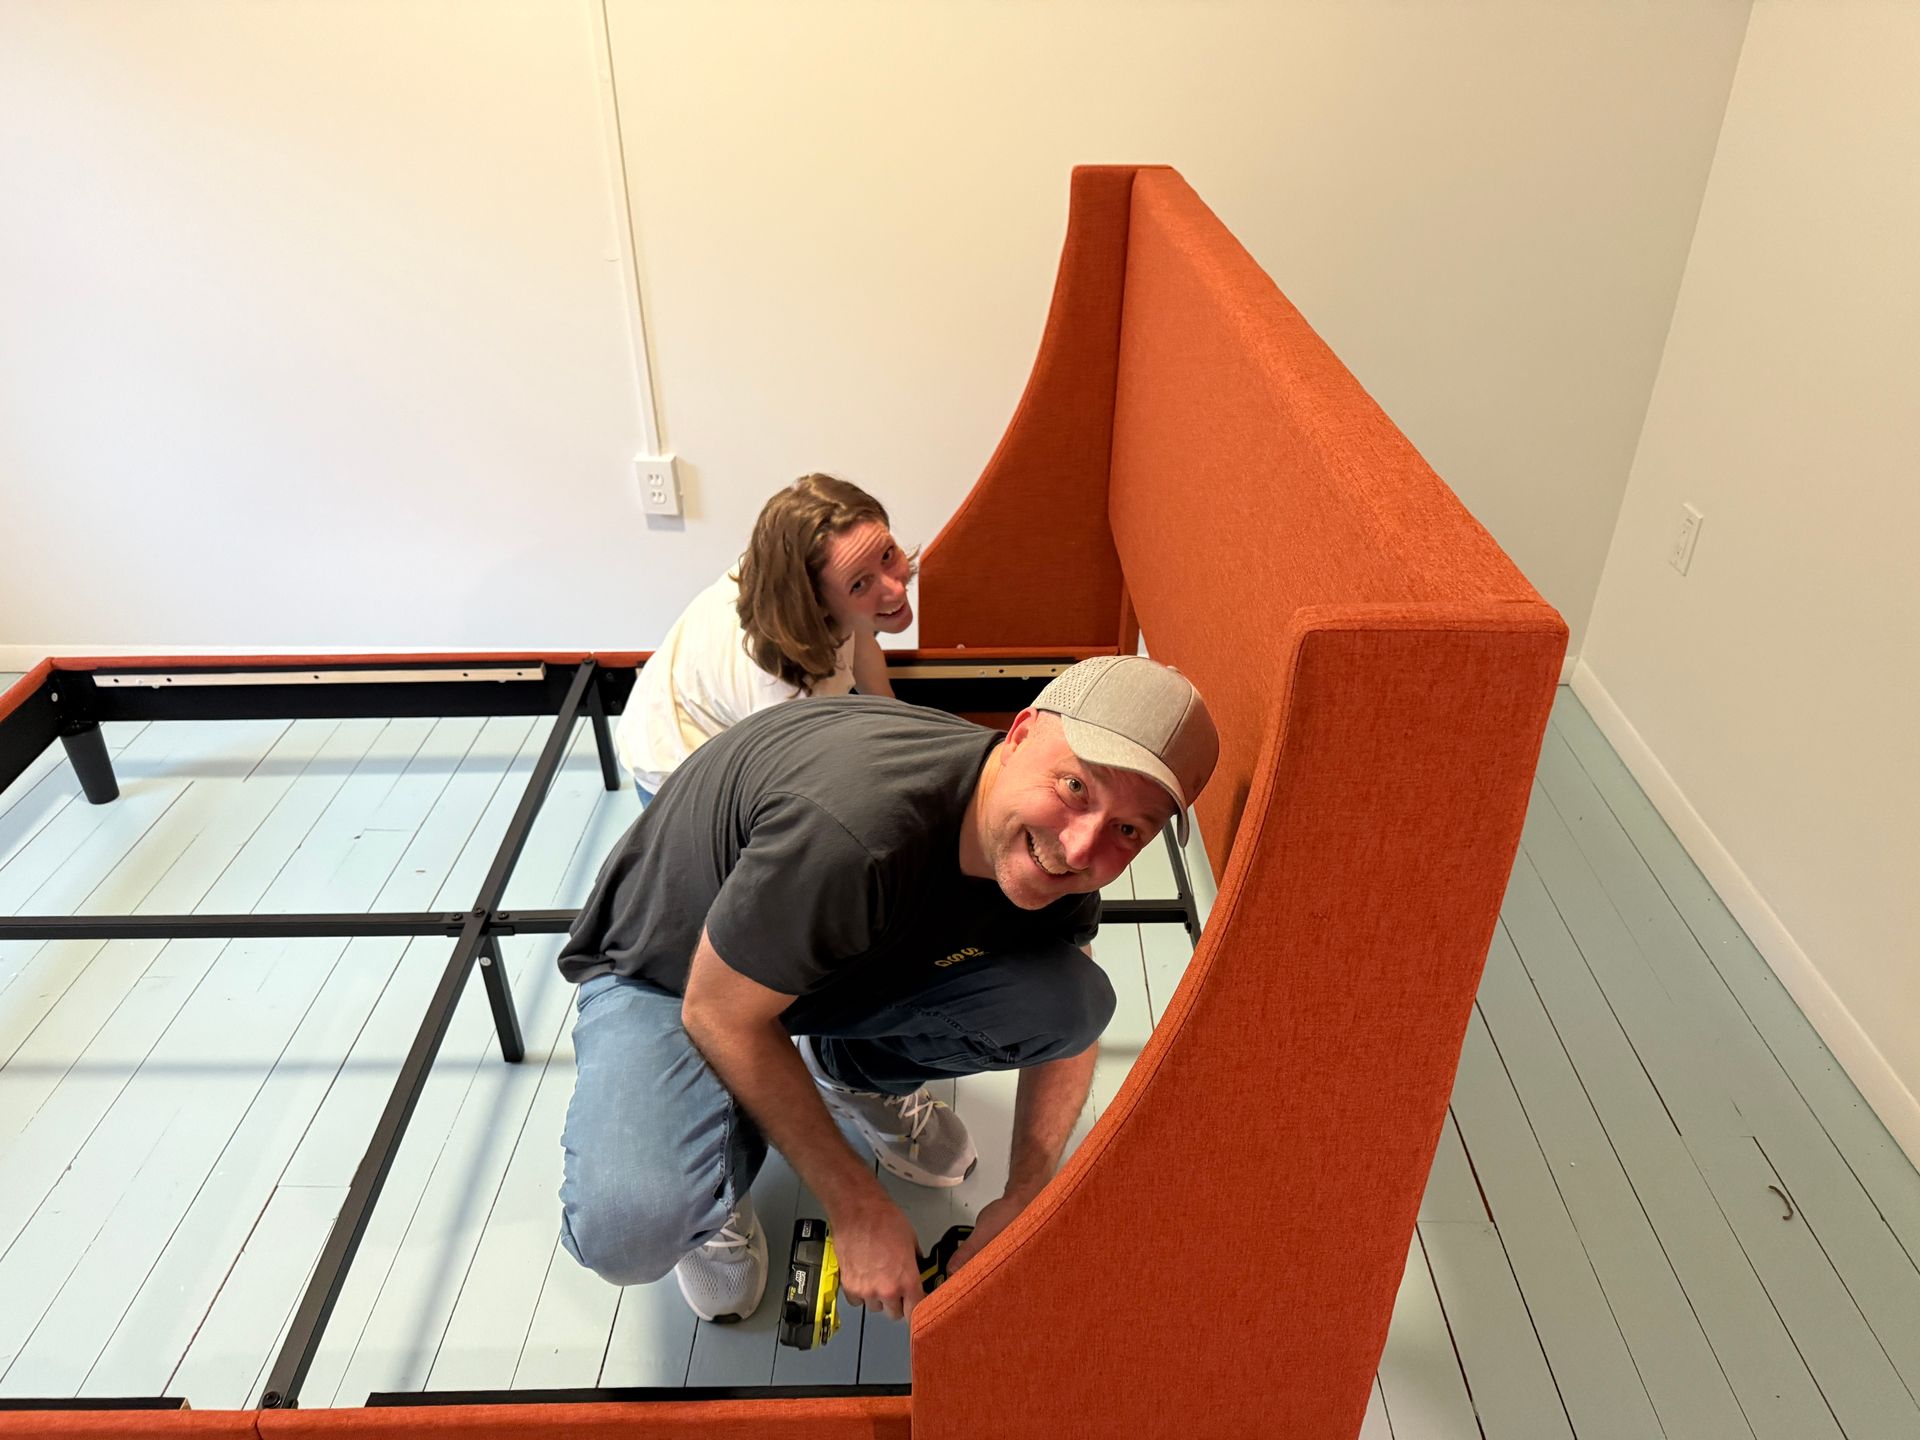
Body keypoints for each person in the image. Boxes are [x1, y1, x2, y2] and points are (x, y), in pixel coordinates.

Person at [555, 654, 1220, 1325]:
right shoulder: (857, 825)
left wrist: (1026, 1194)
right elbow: (718, 1010)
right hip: (674, 974)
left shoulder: (1042, 849)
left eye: (1128, 829)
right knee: (628, 1229)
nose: (1080, 850)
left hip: (820, 953)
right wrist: (856, 1203)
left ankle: (848, 1070)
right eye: (1076, 786)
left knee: (1073, 1002)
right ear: (1018, 735)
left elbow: (1068, 1024)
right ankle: (709, 1191)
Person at [615, 473, 916, 802]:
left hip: (700, 693)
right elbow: (796, 800)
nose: (896, 588)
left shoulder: (792, 570)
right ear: (816, 605)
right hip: (674, 765)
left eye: (887, 555)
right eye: (859, 584)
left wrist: (901, 726)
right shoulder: (783, 693)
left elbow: (860, 643)